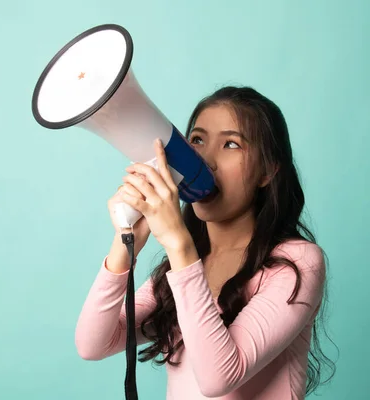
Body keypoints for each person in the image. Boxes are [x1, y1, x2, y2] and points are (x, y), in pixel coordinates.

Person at [75, 86, 337, 399]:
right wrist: (124, 242)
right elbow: (92, 345)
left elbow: (219, 377)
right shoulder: (185, 265)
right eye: (197, 140)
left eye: (231, 144)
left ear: (267, 171)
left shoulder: (297, 262)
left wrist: (179, 246)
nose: (206, 161)